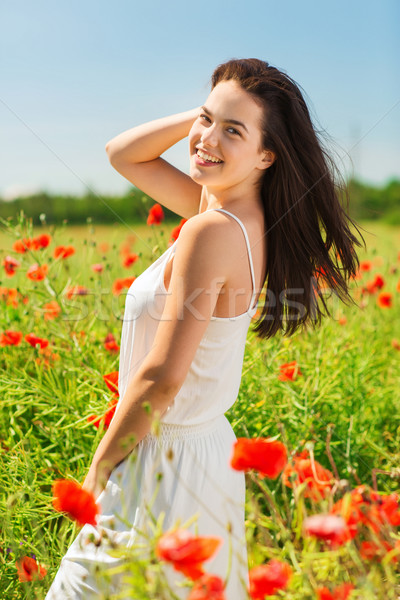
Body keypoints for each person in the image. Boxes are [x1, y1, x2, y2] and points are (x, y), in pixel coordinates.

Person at [45, 58, 364, 599]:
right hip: (203, 454)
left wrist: (97, 474)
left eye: (233, 131)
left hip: (161, 456)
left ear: (268, 155)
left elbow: (162, 378)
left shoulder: (211, 229)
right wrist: (211, 122)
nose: (206, 138)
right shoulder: (239, 219)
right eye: (205, 118)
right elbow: (121, 153)